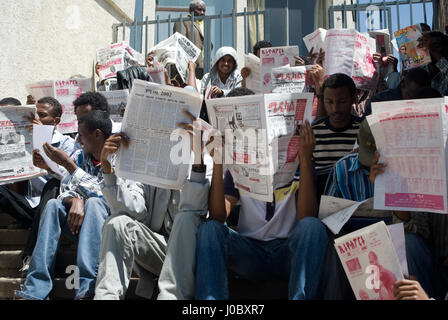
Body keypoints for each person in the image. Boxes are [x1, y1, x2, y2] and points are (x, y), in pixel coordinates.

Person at [194, 116, 328, 300]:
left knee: (314, 227)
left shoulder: (300, 166)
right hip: (250, 252)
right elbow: (218, 216)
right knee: (209, 229)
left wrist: (304, 159)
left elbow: (307, 217)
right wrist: (218, 161)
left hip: (286, 252)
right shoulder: (239, 167)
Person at [94, 110, 209, 300]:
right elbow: (134, 210)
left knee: (186, 218)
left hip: (190, 254)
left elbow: (195, 210)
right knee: (117, 222)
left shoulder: (205, 158)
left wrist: (198, 159)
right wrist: (107, 165)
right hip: (160, 249)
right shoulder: (149, 162)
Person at [14, 110, 113, 300]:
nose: (79, 140)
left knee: (93, 203)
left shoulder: (116, 157)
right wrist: (73, 200)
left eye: (82, 135)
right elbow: (66, 189)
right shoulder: (80, 156)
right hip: (79, 223)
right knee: (52, 205)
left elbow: (107, 195)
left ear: (97, 134)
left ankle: (88, 288)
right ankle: (35, 289)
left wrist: (69, 165)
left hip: (107, 225)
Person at [311, 73, 362, 198]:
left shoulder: (364, 130)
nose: (335, 109)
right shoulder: (313, 132)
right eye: (329, 102)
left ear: (353, 99)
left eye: (342, 102)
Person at [362, 67, 432, 118]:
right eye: (409, 95)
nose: (411, 101)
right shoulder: (380, 100)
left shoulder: (429, 108)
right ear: (402, 85)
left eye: (417, 98)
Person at [173, 0, 207, 79]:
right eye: (199, 9)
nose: (202, 12)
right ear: (190, 10)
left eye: (204, 10)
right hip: (188, 65)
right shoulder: (183, 21)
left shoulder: (204, 23)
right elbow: (180, 42)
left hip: (203, 65)